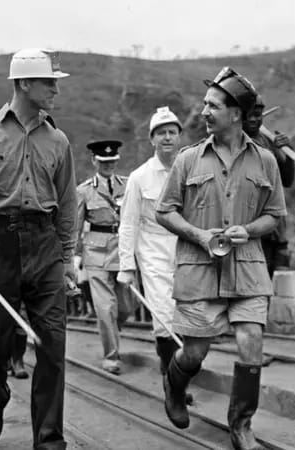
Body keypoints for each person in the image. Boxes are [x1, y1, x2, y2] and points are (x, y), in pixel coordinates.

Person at [0, 48, 77, 448]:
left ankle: (49, 439)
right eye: (48, 82)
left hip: (45, 246)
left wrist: (68, 257)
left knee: (53, 347)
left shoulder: (58, 140)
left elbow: (67, 202)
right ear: (24, 83)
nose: (56, 89)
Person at [156, 67, 286, 450]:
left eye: (213, 105)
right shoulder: (188, 160)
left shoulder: (265, 161)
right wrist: (197, 235)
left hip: (247, 267)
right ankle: (174, 385)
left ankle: (241, 423)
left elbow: (275, 215)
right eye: (205, 104)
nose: (204, 112)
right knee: (194, 352)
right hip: (199, 270)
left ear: (236, 114)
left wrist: (249, 230)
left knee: (252, 340)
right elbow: (165, 211)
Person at [117, 106, 186, 375]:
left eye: (172, 132)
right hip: (153, 249)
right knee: (162, 310)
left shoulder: (190, 169)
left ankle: (179, 368)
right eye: (161, 133)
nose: (167, 138)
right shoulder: (139, 177)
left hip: (186, 246)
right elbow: (129, 223)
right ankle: (172, 377)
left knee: (187, 312)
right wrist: (126, 266)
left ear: (179, 137)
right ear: (152, 140)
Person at [76, 139, 135, 375]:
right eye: (103, 161)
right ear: (94, 161)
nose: (109, 165)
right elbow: (76, 226)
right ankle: (112, 356)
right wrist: (71, 257)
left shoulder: (129, 185)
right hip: (96, 253)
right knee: (104, 308)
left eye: (112, 161)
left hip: (123, 251)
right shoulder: (83, 190)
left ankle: (111, 332)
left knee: (125, 308)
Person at [242, 95, 295, 278]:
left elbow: (287, 180)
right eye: (248, 114)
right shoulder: (234, 145)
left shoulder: (268, 142)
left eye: (257, 114)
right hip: (249, 234)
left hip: (276, 233)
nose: (253, 119)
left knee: (275, 293)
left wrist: (287, 154)